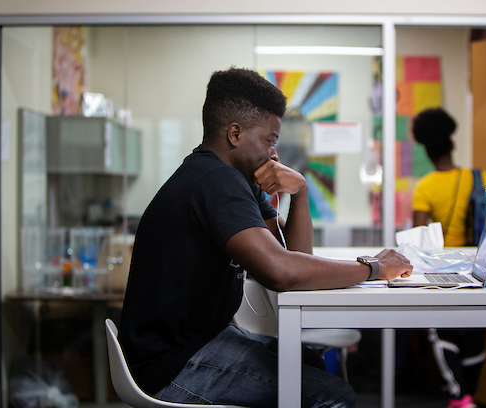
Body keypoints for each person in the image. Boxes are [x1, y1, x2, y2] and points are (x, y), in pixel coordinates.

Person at [119, 67, 413, 408]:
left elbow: (298, 263)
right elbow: (282, 273)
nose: (274, 154)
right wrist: (374, 268)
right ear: (234, 134)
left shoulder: (237, 181)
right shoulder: (215, 181)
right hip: (170, 364)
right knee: (333, 396)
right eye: (269, 140)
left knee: (311, 364)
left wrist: (300, 191)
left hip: (197, 342)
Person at [411, 107, 486, 408]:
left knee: (441, 327)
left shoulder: (427, 186)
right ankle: (470, 394)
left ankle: (459, 396)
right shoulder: (481, 177)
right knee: (476, 328)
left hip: (441, 268)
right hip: (477, 267)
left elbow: (419, 235)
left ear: (428, 151)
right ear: (452, 144)